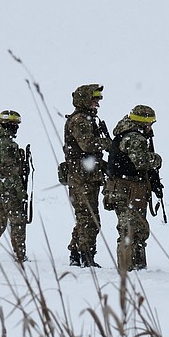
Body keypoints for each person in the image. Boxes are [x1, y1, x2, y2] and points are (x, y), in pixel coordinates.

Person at [105, 104, 163, 272]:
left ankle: (136, 265)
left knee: (135, 227)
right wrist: (157, 159)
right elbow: (142, 162)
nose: (151, 126)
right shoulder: (135, 138)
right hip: (128, 190)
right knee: (130, 229)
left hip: (123, 188)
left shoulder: (124, 134)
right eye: (150, 123)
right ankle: (128, 266)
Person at [62, 84, 111, 268]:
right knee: (89, 219)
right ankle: (86, 256)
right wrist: (108, 144)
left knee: (85, 217)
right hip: (81, 177)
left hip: (87, 176)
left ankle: (76, 254)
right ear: (84, 99)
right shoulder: (80, 120)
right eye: (94, 98)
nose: (97, 103)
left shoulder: (88, 119)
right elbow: (88, 145)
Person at [0, 110, 29, 263]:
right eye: (14, 125)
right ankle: (19, 253)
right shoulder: (6, 143)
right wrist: (20, 191)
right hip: (8, 186)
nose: (16, 128)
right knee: (18, 219)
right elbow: (9, 170)